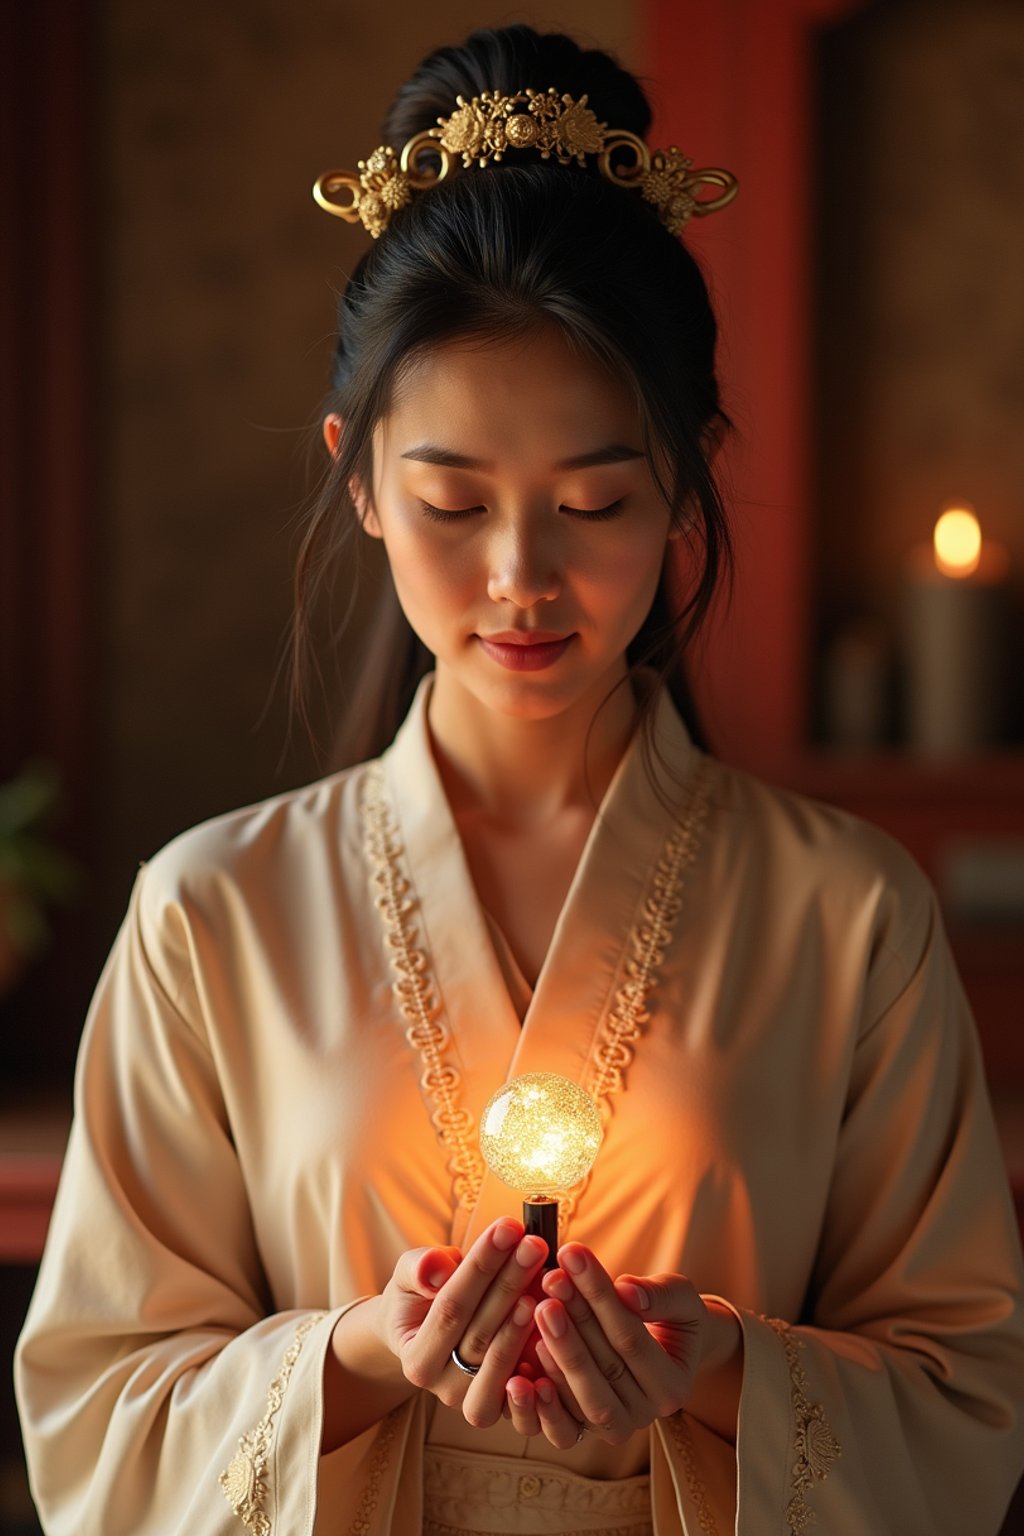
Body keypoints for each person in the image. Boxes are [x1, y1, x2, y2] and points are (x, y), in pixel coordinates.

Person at [15, 23, 1024, 1536]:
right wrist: (362, 1356)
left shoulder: (847, 913)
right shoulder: (212, 913)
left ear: (684, 478)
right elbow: (97, 1419)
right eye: (452, 502)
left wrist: (717, 1369)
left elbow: (967, 1405)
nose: (520, 578)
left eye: (594, 500)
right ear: (358, 478)